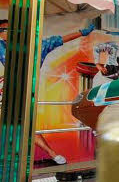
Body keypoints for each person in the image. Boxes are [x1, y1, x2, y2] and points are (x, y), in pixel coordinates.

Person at [0, 20, 95, 165]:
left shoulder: (37, 46)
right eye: (3, 31)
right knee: (21, 127)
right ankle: (51, 154)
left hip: (23, 93)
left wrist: (81, 33)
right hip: (9, 93)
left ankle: (52, 153)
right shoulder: (2, 46)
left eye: (9, 30)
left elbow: (59, 40)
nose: (6, 33)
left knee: (27, 126)